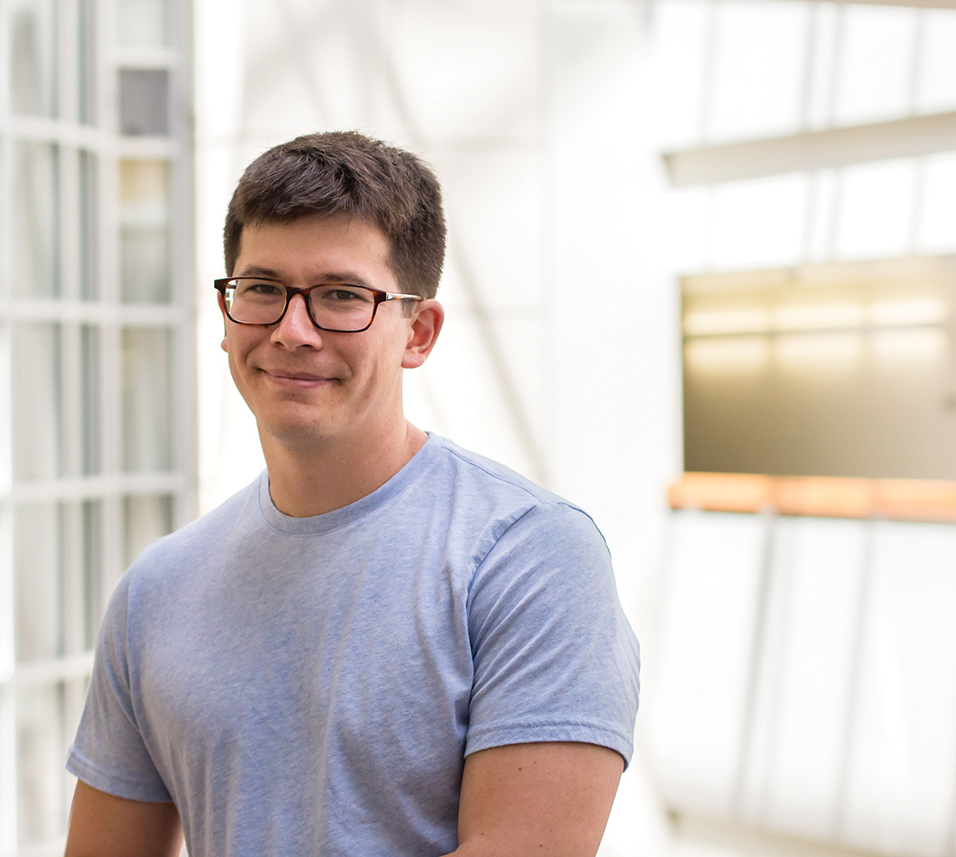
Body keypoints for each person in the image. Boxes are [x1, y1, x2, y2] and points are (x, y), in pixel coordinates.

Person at [64, 131, 640, 857]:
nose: (292, 331)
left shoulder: (530, 559)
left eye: (341, 296)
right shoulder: (156, 589)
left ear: (417, 332)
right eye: (262, 289)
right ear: (227, 314)